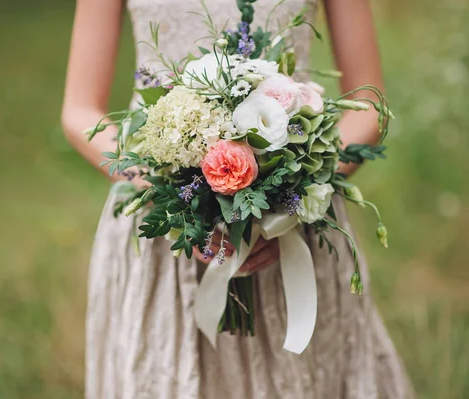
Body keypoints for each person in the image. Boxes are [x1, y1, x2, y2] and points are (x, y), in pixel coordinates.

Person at [61, 0, 415, 398]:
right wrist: (167, 191)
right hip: (163, 234)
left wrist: (290, 198)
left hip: (293, 232)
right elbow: (79, 110)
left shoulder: (291, 205)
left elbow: (369, 107)